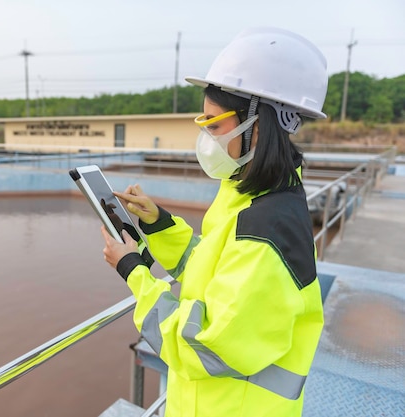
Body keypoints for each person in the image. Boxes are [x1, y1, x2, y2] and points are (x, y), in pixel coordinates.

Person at [100, 27, 327, 417]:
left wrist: (134, 272)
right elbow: (210, 271)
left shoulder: (268, 228)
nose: (204, 135)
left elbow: (205, 344)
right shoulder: (247, 193)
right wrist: (158, 224)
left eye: (214, 123)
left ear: (259, 125)